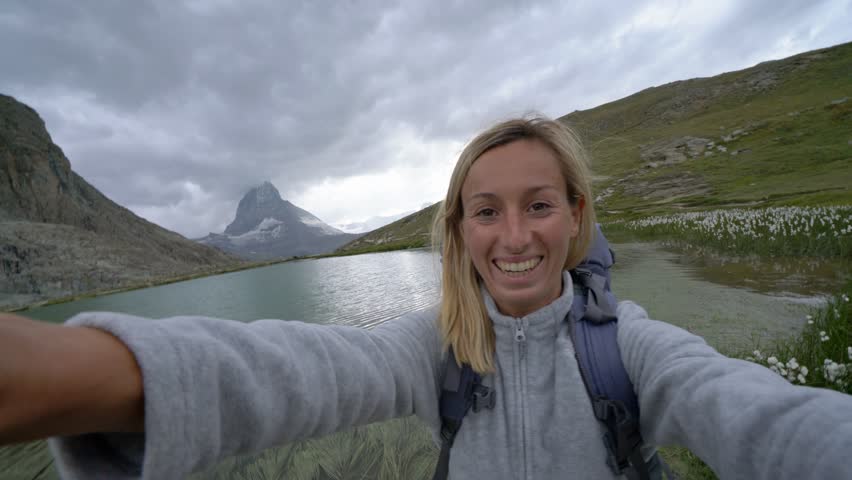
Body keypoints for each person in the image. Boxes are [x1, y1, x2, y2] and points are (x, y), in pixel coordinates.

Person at [1, 116, 851, 480]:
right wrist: (71, 373)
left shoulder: (629, 346)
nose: (513, 237)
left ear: (577, 217)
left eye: (539, 205)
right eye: (486, 212)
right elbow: (307, 369)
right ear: (458, 229)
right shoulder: (431, 346)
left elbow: (761, 419)